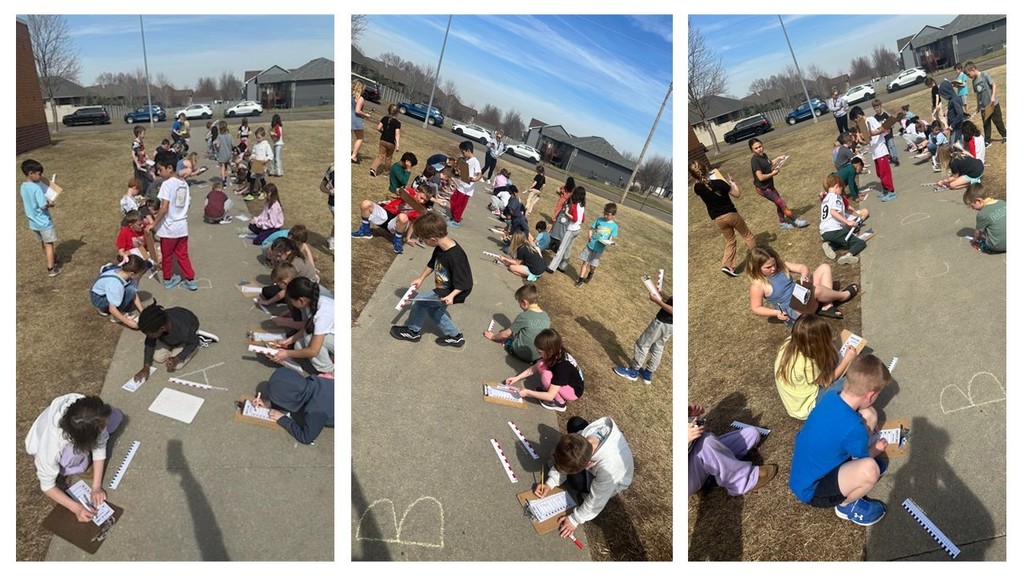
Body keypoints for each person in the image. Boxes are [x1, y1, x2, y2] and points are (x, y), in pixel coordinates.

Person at [789, 354, 892, 526]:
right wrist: (876, 449)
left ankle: (849, 475)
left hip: (807, 471)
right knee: (870, 470)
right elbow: (862, 459)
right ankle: (846, 506)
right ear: (870, 395)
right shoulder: (853, 427)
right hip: (814, 489)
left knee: (870, 413)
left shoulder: (831, 397)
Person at [25, 394, 124, 523]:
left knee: (117, 418)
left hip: (81, 432)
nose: (103, 427)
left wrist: (96, 487)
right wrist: (77, 509)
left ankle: (91, 442)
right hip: (41, 443)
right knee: (72, 457)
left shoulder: (85, 410)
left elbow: (100, 444)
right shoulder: (51, 448)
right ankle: (75, 464)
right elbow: (47, 486)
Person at [535, 416, 633, 539]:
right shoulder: (584, 436)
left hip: (616, 481)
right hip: (602, 458)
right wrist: (550, 483)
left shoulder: (609, 469)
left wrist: (574, 519)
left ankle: (579, 480)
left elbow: (597, 500)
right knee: (575, 422)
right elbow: (570, 457)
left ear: (587, 465)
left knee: (576, 481)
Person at [390, 212, 473, 347]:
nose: (422, 241)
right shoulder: (441, 247)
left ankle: (412, 331)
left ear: (433, 239)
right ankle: (455, 336)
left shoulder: (455, 257)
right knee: (435, 312)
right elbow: (432, 263)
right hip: (446, 287)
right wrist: (421, 278)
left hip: (453, 290)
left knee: (420, 302)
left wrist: (451, 296)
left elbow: (464, 283)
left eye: (423, 239)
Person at [774, 314, 858, 420]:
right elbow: (826, 381)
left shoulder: (790, 341)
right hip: (806, 406)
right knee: (853, 380)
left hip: (795, 401)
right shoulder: (807, 363)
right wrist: (846, 360)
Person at [746, 245, 858, 323]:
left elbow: (802, 267)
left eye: (774, 264)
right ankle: (844, 295)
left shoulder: (781, 266)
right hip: (796, 312)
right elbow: (756, 308)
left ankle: (827, 306)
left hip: (802, 295)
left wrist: (804, 275)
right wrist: (776, 313)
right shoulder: (758, 285)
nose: (773, 268)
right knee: (816, 289)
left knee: (824, 267)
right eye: (768, 267)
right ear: (756, 268)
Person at [688, 404, 776, 496]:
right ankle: (741, 482)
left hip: (696, 455)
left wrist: (692, 418)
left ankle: (714, 473)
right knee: (706, 442)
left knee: (752, 433)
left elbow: (694, 434)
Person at [691, 163, 756, 277]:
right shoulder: (720, 183)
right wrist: (733, 183)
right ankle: (759, 260)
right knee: (747, 236)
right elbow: (737, 194)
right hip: (731, 214)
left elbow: (701, 183)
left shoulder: (697, 188)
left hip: (718, 219)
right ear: (706, 169)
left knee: (730, 241)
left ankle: (727, 265)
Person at [504, 328, 584, 412]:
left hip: (573, 391)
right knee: (540, 364)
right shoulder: (555, 352)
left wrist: (528, 393)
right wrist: (516, 378)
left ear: (550, 351)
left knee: (546, 376)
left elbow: (549, 396)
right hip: (566, 382)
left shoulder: (562, 367)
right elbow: (533, 368)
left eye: (540, 352)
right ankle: (552, 390)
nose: (538, 353)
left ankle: (560, 403)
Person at [268, 277, 335, 375]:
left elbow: (313, 351)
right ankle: (329, 357)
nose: (291, 304)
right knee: (298, 345)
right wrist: (288, 341)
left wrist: (286, 353)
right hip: (331, 336)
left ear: (301, 300)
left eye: (291, 301)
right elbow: (307, 326)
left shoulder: (322, 315)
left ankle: (330, 371)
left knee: (309, 338)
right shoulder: (311, 303)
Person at [151, 154, 197, 290]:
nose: (159, 173)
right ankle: (190, 279)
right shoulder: (184, 183)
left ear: (170, 168)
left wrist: (153, 224)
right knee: (182, 254)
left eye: (160, 170)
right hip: (182, 226)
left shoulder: (167, 184)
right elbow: (187, 203)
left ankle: (168, 279)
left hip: (169, 228)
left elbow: (164, 207)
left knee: (167, 255)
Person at [252, 368, 334, 444]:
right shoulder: (314, 381)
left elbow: (306, 438)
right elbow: (295, 396)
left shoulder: (315, 411)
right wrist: (271, 404)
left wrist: (281, 418)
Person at [352, 182, 437, 254]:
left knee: (403, 216)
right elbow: (404, 191)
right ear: (417, 192)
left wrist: (408, 238)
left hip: (396, 225)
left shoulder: (420, 209)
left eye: (425, 200)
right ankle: (365, 231)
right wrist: (399, 191)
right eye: (421, 198)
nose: (422, 201)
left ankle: (397, 241)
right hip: (386, 214)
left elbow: (413, 223)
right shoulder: (411, 192)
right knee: (366, 203)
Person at [133, 302, 206, 384]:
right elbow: (149, 343)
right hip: (168, 336)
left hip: (188, 338)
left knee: (177, 365)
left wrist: (178, 358)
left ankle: (193, 342)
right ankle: (173, 346)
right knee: (158, 357)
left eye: (150, 334)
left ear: (162, 328)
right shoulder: (156, 324)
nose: (148, 336)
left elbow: (194, 342)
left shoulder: (183, 329)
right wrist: (146, 367)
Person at [613, 289, 672, 385]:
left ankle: (633, 371)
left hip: (662, 322)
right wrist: (663, 295)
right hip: (670, 325)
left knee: (642, 344)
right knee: (657, 347)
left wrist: (657, 301)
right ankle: (647, 373)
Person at [483, 283, 551, 363]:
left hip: (522, 353)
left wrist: (493, 336)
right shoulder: (546, 316)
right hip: (538, 355)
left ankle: (512, 348)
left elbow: (506, 334)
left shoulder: (524, 316)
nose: (519, 305)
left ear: (524, 302)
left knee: (510, 336)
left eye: (519, 303)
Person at [749, 138, 807, 229]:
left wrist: (779, 158)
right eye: (756, 148)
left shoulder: (763, 155)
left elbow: (769, 164)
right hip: (763, 188)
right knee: (781, 202)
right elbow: (760, 177)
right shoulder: (755, 161)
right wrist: (773, 173)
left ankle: (782, 224)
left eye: (760, 146)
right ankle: (796, 222)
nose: (759, 149)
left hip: (769, 185)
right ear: (752, 150)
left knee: (779, 203)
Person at [20, 159, 61, 277]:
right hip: (43, 221)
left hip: (33, 222)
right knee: (49, 244)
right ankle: (51, 269)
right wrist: (50, 204)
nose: (41, 176)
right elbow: (43, 206)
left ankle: (53, 258)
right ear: (31, 173)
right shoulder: (36, 188)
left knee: (44, 242)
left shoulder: (23, 187)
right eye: (39, 174)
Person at [819, 174, 869, 265]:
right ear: (837, 186)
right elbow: (833, 212)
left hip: (824, 231)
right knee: (860, 243)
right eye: (841, 189)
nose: (841, 191)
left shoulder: (826, 199)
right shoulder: (836, 197)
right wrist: (847, 222)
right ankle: (848, 255)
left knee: (843, 240)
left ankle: (830, 245)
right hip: (834, 229)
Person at [852, 106, 896, 202]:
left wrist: (872, 133)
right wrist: (861, 140)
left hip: (880, 150)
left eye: (855, 121)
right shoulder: (864, 126)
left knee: (885, 173)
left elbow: (881, 129)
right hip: (875, 152)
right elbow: (868, 141)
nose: (856, 123)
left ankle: (891, 191)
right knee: (879, 173)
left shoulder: (870, 120)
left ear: (858, 116)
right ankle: (885, 189)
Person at [90, 254, 145, 329]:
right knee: (129, 289)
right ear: (132, 274)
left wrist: (142, 311)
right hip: (99, 298)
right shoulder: (116, 284)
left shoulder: (122, 271)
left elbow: (133, 292)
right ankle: (113, 315)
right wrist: (128, 322)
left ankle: (112, 308)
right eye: (140, 274)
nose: (141, 276)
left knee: (132, 286)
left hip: (101, 291)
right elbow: (112, 309)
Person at [575, 202, 618, 287]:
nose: (605, 216)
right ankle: (580, 280)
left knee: (592, 266)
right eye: (604, 213)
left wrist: (608, 242)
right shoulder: (599, 220)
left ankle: (591, 273)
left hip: (599, 249)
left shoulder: (614, 226)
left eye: (608, 215)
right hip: (590, 245)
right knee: (585, 262)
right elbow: (591, 229)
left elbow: (610, 238)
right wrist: (589, 237)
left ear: (613, 215)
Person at [965, 61, 1006, 146]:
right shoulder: (974, 81)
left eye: (969, 74)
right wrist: (978, 106)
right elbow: (978, 94)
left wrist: (993, 97)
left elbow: (993, 85)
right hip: (984, 107)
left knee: (998, 121)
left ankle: (1005, 135)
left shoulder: (984, 75)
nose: (969, 77)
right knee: (986, 124)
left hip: (992, 104)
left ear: (973, 69)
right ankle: (987, 141)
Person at [547, 185, 586, 274]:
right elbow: (582, 219)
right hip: (578, 229)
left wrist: (566, 213)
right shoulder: (582, 206)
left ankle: (551, 267)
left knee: (561, 248)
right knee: (568, 248)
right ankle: (563, 266)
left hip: (571, 229)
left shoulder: (575, 205)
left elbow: (575, 218)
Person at [447, 141, 482, 228]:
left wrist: (474, 179)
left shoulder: (475, 161)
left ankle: (456, 220)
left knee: (460, 205)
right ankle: (453, 216)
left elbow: (479, 174)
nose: (462, 154)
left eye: (463, 152)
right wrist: (459, 171)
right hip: (462, 185)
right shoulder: (465, 160)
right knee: (453, 199)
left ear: (468, 151)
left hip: (467, 188)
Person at [963, 183, 1006, 253]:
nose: (973, 208)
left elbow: (977, 233)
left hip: (998, 246)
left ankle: (985, 247)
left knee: (982, 239)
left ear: (979, 201)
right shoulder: (1002, 202)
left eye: (972, 205)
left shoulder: (982, 214)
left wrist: (975, 239)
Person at [370, 104, 401, 178]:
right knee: (388, 158)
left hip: (383, 140)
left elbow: (378, 128)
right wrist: (397, 145)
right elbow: (397, 135)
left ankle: (373, 168)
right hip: (391, 143)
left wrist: (383, 132)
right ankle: (386, 173)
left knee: (380, 156)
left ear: (388, 110)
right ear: (397, 113)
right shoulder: (397, 123)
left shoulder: (384, 118)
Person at [246, 127, 273, 200]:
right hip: (256, 164)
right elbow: (254, 153)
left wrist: (265, 160)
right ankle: (251, 194)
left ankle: (264, 192)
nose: (257, 139)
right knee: (252, 178)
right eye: (256, 137)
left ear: (263, 137)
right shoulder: (256, 145)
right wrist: (252, 157)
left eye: (259, 138)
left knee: (262, 179)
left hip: (262, 164)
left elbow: (270, 155)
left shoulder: (266, 145)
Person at [870, 99, 899, 166]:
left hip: (889, 133)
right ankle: (889, 157)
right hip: (882, 135)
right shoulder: (875, 118)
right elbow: (876, 127)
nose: (877, 109)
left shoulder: (885, 114)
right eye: (875, 108)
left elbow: (891, 122)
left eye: (878, 107)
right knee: (886, 147)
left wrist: (892, 125)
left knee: (892, 145)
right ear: (874, 109)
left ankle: (895, 157)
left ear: (881, 106)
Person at [939, 80, 964, 146]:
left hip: (957, 127)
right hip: (954, 127)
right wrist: (948, 111)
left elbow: (960, 114)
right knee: (952, 144)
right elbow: (954, 109)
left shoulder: (954, 99)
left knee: (954, 145)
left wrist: (952, 125)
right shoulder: (952, 99)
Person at [351, 80, 371, 162]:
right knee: (360, 138)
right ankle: (353, 156)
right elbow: (357, 110)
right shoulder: (360, 98)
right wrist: (365, 115)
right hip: (356, 119)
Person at [214, 120, 233, 186]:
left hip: (222, 153)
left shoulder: (219, 136)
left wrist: (215, 145)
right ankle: (225, 177)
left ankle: (223, 180)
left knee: (222, 166)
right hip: (228, 153)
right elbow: (232, 144)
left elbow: (217, 145)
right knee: (226, 166)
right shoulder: (230, 136)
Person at [321, 164, 335, 252]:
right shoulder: (332, 170)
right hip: (333, 203)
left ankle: (332, 238)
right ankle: (332, 239)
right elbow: (322, 186)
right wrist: (330, 192)